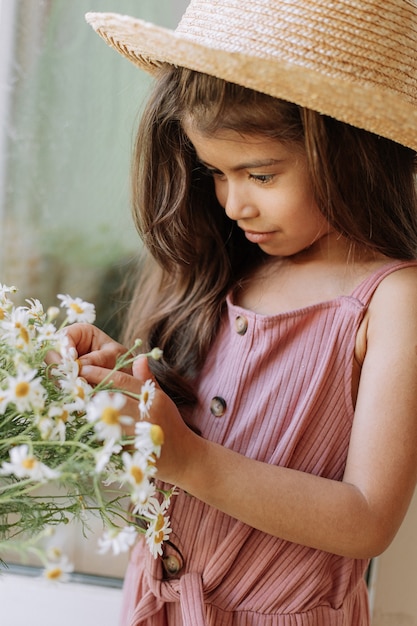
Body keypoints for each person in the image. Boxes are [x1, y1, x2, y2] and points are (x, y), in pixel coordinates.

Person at [69, 1, 417, 624]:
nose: (234, 204)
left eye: (259, 174)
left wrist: (189, 461)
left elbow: (368, 519)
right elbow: (209, 424)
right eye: (215, 174)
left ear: (353, 151)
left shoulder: (393, 300)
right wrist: (123, 378)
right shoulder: (227, 266)